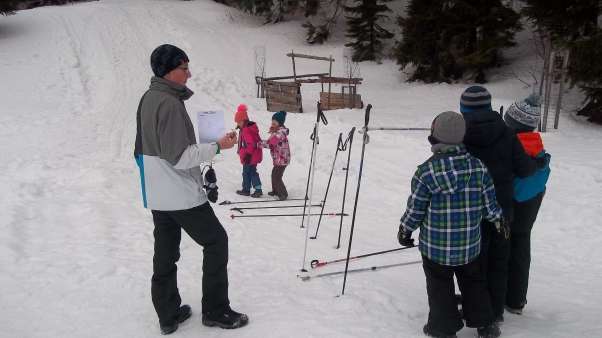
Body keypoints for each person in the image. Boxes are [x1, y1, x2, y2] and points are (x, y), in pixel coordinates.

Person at [134, 44, 248, 335]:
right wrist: (217, 147)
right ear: (168, 70)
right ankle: (215, 309)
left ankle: (168, 313)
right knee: (216, 242)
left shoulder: (149, 97)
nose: (189, 74)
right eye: (184, 68)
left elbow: (144, 150)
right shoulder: (169, 103)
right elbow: (179, 156)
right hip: (180, 194)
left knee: (166, 252)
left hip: (159, 193)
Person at [398, 111, 503, 338]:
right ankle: (486, 324)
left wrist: (405, 229)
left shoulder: (425, 171)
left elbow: (416, 208)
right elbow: (489, 204)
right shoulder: (478, 167)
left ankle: (443, 328)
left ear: (436, 136)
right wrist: (500, 223)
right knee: (474, 281)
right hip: (469, 245)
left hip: (435, 248)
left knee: (439, 285)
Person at [459, 86, 550, 323]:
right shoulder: (519, 138)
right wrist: (541, 165)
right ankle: (505, 305)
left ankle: (480, 308)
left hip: (488, 208)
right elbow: (528, 168)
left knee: (482, 259)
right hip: (511, 209)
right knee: (504, 258)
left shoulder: (477, 135)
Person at [502, 93, 551, 315]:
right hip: (530, 205)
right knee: (521, 250)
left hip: (512, 204)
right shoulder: (538, 148)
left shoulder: (513, 149)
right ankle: (516, 300)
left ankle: (495, 295)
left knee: (500, 250)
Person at [259, 110, 290, 201]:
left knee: (276, 176)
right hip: (279, 158)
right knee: (274, 174)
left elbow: (270, 143)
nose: (273, 122)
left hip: (282, 158)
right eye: (272, 120)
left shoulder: (279, 133)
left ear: (280, 122)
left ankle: (283, 193)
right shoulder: (277, 131)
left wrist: (258, 144)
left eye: (275, 121)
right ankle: (276, 191)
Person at [234, 104, 263, 197]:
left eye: (239, 121)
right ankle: (248, 188)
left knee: (249, 172)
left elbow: (250, 144)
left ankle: (255, 189)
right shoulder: (251, 128)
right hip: (255, 154)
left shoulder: (246, 130)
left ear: (244, 120)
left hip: (250, 155)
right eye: (237, 122)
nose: (238, 124)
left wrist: (248, 155)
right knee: (249, 171)